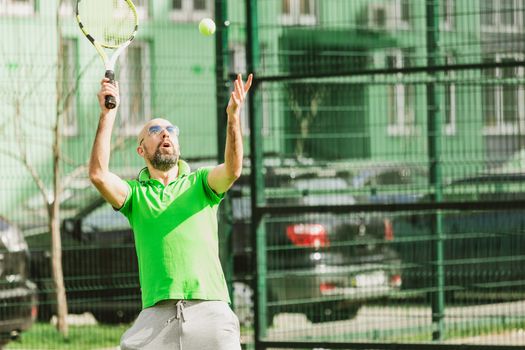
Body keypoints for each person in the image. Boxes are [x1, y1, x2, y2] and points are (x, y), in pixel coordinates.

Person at [89, 73, 253, 350]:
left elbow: (233, 169)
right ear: (141, 150)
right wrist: (107, 114)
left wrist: (233, 118)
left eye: (171, 130)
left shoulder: (200, 183)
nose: (165, 133)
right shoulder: (135, 195)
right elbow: (98, 174)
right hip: (157, 315)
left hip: (209, 308)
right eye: (155, 131)